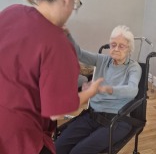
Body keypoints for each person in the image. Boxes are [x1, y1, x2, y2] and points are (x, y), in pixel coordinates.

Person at [0, 0, 103, 154]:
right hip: (21, 137)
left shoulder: (11, 12)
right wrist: (90, 91)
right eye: (76, 3)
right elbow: (57, 112)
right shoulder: (58, 45)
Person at [55, 25, 142, 154]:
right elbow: (79, 54)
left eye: (121, 46)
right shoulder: (103, 60)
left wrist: (106, 89)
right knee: (57, 148)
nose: (116, 49)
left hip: (117, 121)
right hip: (92, 116)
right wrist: (67, 35)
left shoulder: (133, 68)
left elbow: (132, 90)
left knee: (77, 152)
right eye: (113, 44)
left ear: (129, 48)